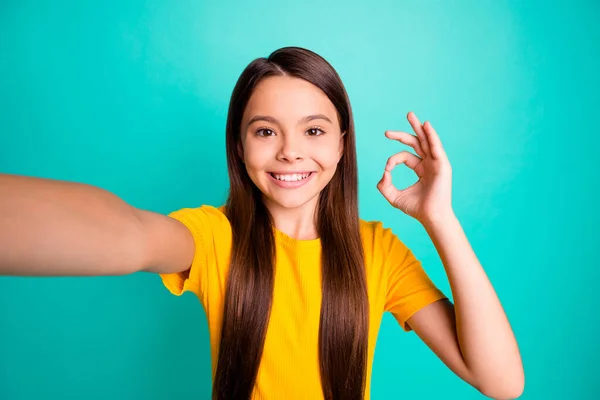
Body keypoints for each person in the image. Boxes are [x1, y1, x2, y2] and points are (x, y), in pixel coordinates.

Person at [0, 46, 524, 400]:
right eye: (265, 131)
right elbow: (127, 233)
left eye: (314, 130)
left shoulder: (378, 253)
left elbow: (501, 382)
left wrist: (440, 219)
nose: (291, 152)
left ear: (343, 144)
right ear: (240, 146)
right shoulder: (213, 239)